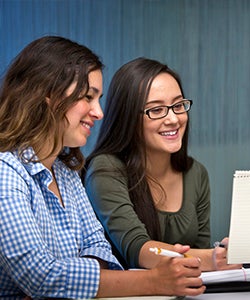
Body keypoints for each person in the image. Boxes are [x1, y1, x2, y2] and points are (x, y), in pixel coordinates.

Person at [0, 36, 205, 299]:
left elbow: (100, 250)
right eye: (87, 97)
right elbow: (40, 275)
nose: (99, 112)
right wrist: (154, 281)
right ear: (47, 96)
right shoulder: (7, 173)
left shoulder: (66, 172)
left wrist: (63, 283)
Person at [84, 57, 241, 271]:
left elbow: (200, 251)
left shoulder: (196, 173)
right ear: (128, 117)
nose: (174, 119)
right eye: (156, 110)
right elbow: (136, 249)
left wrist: (218, 254)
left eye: (178, 105)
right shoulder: (106, 169)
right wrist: (212, 259)